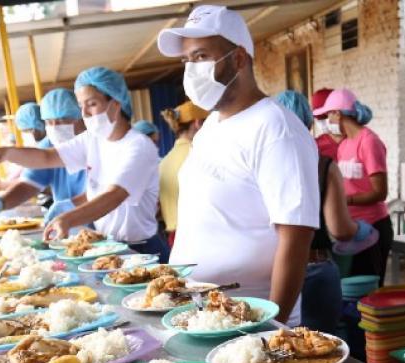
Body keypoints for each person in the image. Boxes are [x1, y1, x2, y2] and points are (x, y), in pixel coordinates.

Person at [156, 5, 319, 325]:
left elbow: (295, 238)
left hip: (250, 319)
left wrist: (273, 328)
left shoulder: (275, 128)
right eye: (186, 60)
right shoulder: (212, 125)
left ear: (239, 59)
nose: (191, 69)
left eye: (201, 56)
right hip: (204, 315)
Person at [0, 68, 168, 258]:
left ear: (115, 104)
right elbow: (47, 157)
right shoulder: (93, 139)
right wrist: (7, 153)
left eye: (92, 104)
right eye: (81, 105)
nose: (85, 113)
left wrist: (68, 218)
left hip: (143, 249)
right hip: (112, 246)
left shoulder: (138, 146)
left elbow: (114, 196)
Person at [274, 89, 368, 333]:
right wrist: (359, 230)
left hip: (273, 268)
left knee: (276, 344)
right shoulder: (323, 165)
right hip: (315, 266)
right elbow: (340, 229)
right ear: (308, 122)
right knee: (322, 349)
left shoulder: (259, 165)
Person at [313, 88, 392, 283]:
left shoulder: (369, 142)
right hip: (352, 228)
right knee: (350, 289)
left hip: (372, 227)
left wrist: (343, 200)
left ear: (337, 113)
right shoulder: (345, 144)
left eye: (328, 115)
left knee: (368, 290)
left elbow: (379, 192)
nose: (327, 122)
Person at [0, 89, 89, 227]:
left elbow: (108, 190)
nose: (55, 127)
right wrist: (1, 202)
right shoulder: (48, 145)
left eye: (63, 120)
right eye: (49, 122)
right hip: (69, 226)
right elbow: (30, 183)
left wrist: (73, 205)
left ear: (81, 117)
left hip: (102, 223)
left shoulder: (94, 142)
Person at [158, 100, 208, 248]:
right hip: (202, 235)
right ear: (198, 123)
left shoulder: (163, 162)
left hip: (175, 239)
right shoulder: (201, 155)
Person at [309, 88, 340, 160]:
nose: (324, 122)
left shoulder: (358, 140)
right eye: (319, 118)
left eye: (326, 116)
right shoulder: (315, 146)